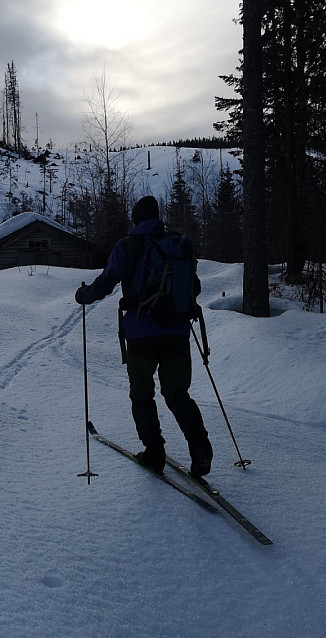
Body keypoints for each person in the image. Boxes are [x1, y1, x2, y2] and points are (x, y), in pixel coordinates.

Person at [75, 196, 213, 477]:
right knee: (177, 394)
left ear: (135, 219)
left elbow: (107, 282)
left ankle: (154, 452)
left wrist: (84, 295)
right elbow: (194, 287)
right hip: (177, 330)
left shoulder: (128, 245)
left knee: (142, 393)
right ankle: (200, 451)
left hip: (141, 333)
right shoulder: (175, 246)